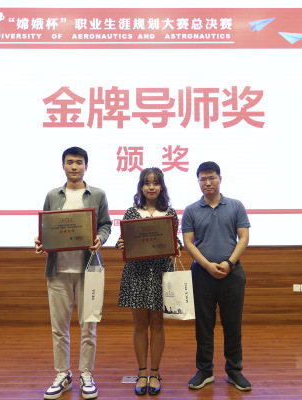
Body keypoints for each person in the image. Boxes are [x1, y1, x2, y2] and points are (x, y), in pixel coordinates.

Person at [35, 147, 111, 400]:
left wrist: (100, 238)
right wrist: (41, 241)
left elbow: (106, 224)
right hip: (58, 270)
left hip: (90, 270)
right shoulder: (52, 195)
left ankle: (86, 374)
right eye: (70, 162)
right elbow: (46, 227)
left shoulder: (98, 195)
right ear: (63, 166)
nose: (75, 166)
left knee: (89, 326)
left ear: (86, 166)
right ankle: (63, 374)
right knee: (59, 327)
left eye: (79, 162)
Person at [181, 161, 252, 392]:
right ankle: (204, 371)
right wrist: (207, 265)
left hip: (233, 274)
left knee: (233, 325)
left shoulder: (236, 206)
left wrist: (229, 263)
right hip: (202, 275)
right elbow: (188, 243)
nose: (208, 182)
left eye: (212, 178)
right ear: (198, 182)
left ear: (220, 179)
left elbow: (243, 237)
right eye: (203, 179)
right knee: (204, 325)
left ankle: (234, 370)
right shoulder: (191, 210)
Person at [116, 167, 182, 396]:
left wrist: (177, 246)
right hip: (137, 274)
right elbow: (122, 241)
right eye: (147, 183)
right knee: (139, 325)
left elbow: (175, 241)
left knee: (157, 324)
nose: (151, 187)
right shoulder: (132, 212)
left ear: (161, 186)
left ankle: (155, 373)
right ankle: (142, 372)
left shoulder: (170, 213)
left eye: (155, 183)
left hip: (161, 273)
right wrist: (121, 244)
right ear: (141, 187)